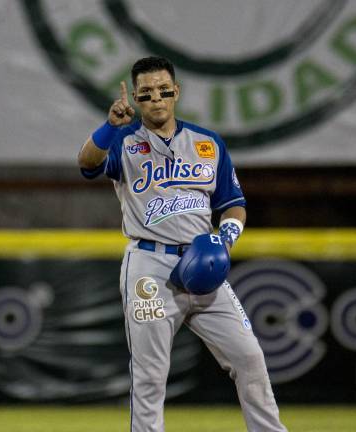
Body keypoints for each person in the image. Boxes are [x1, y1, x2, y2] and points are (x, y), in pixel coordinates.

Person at [77, 56, 287, 432]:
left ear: (177, 92)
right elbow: (87, 165)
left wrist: (226, 239)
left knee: (250, 358)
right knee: (151, 374)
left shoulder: (207, 143)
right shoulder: (124, 140)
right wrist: (109, 127)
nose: (156, 98)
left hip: (204, 264)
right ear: (136, 99)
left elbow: (233, 204)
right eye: (146, 93)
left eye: (163, 90)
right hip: (150, 266)